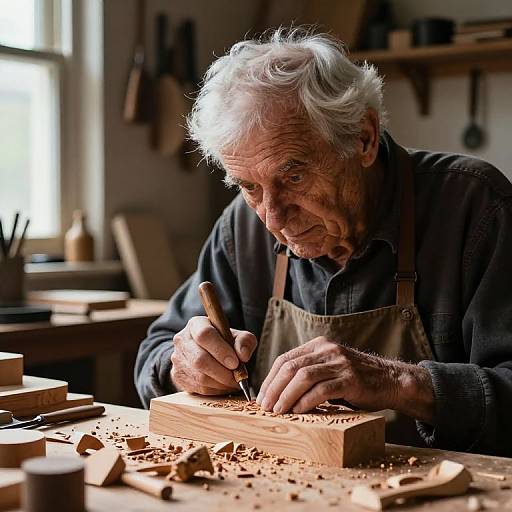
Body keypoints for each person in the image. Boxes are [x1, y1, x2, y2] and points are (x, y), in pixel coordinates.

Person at [135, 29, 512, 456]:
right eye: (249, 187)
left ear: (363, 138)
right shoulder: (242, 227)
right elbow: (155, 350)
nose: (273, 218)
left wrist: (399, 383)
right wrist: (181, 364)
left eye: (293, 177)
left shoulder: (476, 208)